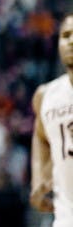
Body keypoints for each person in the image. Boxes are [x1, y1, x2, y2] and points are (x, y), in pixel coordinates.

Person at [31, 13, 73, 223]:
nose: (71, 41)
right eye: (66, 35)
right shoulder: (46, 94)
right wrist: (39, 176)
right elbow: (41, 137)